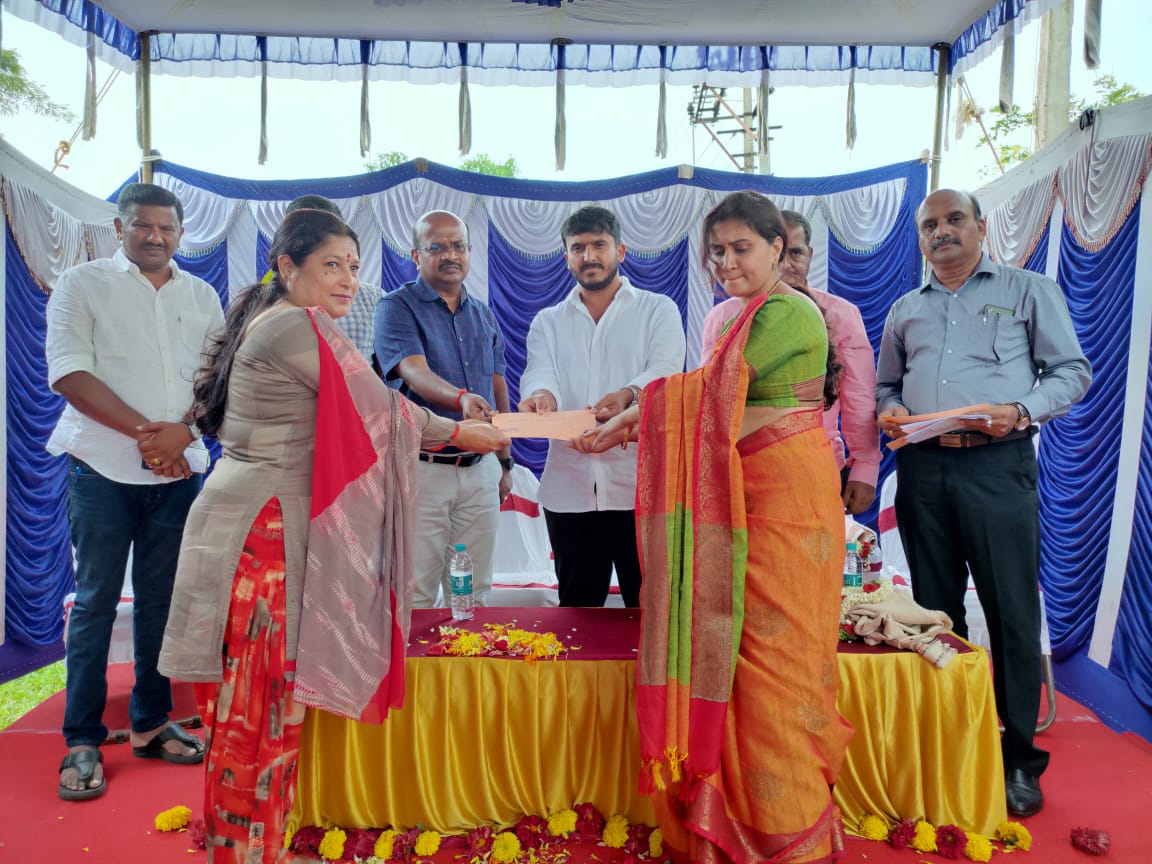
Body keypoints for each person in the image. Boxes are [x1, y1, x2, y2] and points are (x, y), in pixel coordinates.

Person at [158, 208, 509, 862]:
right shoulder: (296, 324)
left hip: (253, 521)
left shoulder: (284, 318)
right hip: (263, 535)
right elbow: (380, 407)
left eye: (353, 265)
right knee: (259, 706)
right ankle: (245, 851)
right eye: (331, 265)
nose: (348, 278)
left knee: (262, 703)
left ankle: (257, 842)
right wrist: (464, 432)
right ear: (288, 267)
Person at [582, 191, 853, 863]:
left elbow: (714, 397)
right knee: (732, 652)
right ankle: (730, 817)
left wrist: (634, 421)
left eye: (741, 248)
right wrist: (635, 420)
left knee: (776, 665)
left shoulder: (789, 311)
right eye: (717, 252)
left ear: (778, 249)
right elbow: (708, 399)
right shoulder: (740, 314)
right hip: (738, 496)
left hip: (784, 503)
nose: (726, 262)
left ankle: (784, 829)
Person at [876, 188, 1091, 818]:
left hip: (998, 466)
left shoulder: (1028, 290)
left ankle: (1019, 758)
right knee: (936, 614)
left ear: (980, 226)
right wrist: (892, 408)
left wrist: (1021, 410)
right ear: (920, 237)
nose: (941, 232)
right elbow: (887, 384)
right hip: (922, 468)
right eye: (929, 225)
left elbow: (1072, 372)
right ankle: (951, 742)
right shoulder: (905, 308)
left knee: (1011, 613)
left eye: (953, 220)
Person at [46, 182, 224, 801]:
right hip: (100, 466)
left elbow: (218, 379)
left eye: (166, 227)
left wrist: (183, 436)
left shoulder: (201, 295)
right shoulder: (82, 284)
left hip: (178, 472)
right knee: (96, 601)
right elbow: (69, 373)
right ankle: (82, 738)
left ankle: (150, 722)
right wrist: (150, 438)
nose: (155, 236)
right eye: (142, 226)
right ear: (120, 228)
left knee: (163, 600)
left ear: (181, 233)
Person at [519, 205, 685, 607]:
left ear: (620, 251)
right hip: (569, 490)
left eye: (599, 245)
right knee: (577, 611)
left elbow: (666, 372)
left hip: (640, 490)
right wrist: (542, 397)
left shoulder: (657, 309)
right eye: (578, 248)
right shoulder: (548, 321)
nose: (589, 256)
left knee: (651, 611)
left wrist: (629, 394)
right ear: (566, 257)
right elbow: (540, 373)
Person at [374, 210, 513, 608]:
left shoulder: (483, 313)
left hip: (480, 469)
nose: (450, 255)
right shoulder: (396, 307)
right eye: (437, 247)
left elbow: (497, 385)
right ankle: (414, 654)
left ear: (469, 251)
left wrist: (504, 462)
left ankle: (465, 652)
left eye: (458, 246)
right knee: (414, 592)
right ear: (415, 255)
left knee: (473, 591)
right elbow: (414, 372)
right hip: (423, 468)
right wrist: (461, 398)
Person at [701, 210, 879, 514]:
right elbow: (710, 395)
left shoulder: (841, 314)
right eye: (777, 254)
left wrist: (865, 467)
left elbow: (859, 400)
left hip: (816, 466)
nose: (785, 264)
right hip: (742, 469)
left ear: (809, 255)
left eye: (795, 253)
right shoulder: (723, 317)